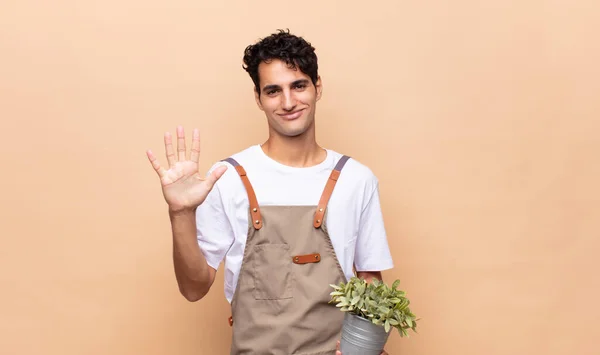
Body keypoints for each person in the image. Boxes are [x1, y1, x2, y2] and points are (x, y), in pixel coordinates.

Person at [146, 29, 393, 355]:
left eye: (299, 85)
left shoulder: (357, 179)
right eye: (273, 90)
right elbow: (193, 289)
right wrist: (181, 213)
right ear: (258, 98)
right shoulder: (228, 177)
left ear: (317, 88)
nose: (288, 102)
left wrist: (364, 347)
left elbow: (369, 279)